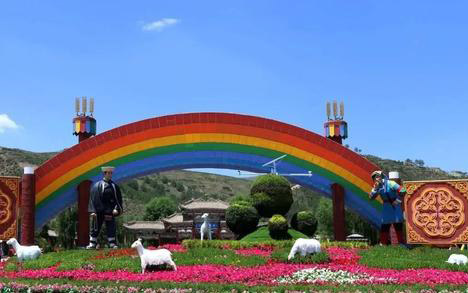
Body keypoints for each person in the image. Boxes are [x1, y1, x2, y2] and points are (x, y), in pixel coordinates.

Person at [86, 166, 123, 249]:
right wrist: (93, 211)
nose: (110, 175)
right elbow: (93, 199)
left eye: (111, 173)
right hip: (99, 211)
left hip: (109, 211)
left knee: (111, 227)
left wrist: (116, 209)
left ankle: (112, 243)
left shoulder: (114, 186)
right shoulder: (97, 185)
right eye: (108, 173)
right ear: (104, 173)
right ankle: (92, 243)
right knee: (95, 226)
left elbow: (118, 199)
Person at [369, 170, 406, 246]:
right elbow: (371, 198)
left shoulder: (391, 183)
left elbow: (403, 190)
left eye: (378, 176)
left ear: (381, 176)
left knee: (398, 224)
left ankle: (401, 243)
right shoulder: (377, 186)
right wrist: (375, 189)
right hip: (386, 207)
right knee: (385, 225)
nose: (376, 179)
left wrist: (398, 200)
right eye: (375, 178)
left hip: (395, 206)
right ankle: (383, 244)